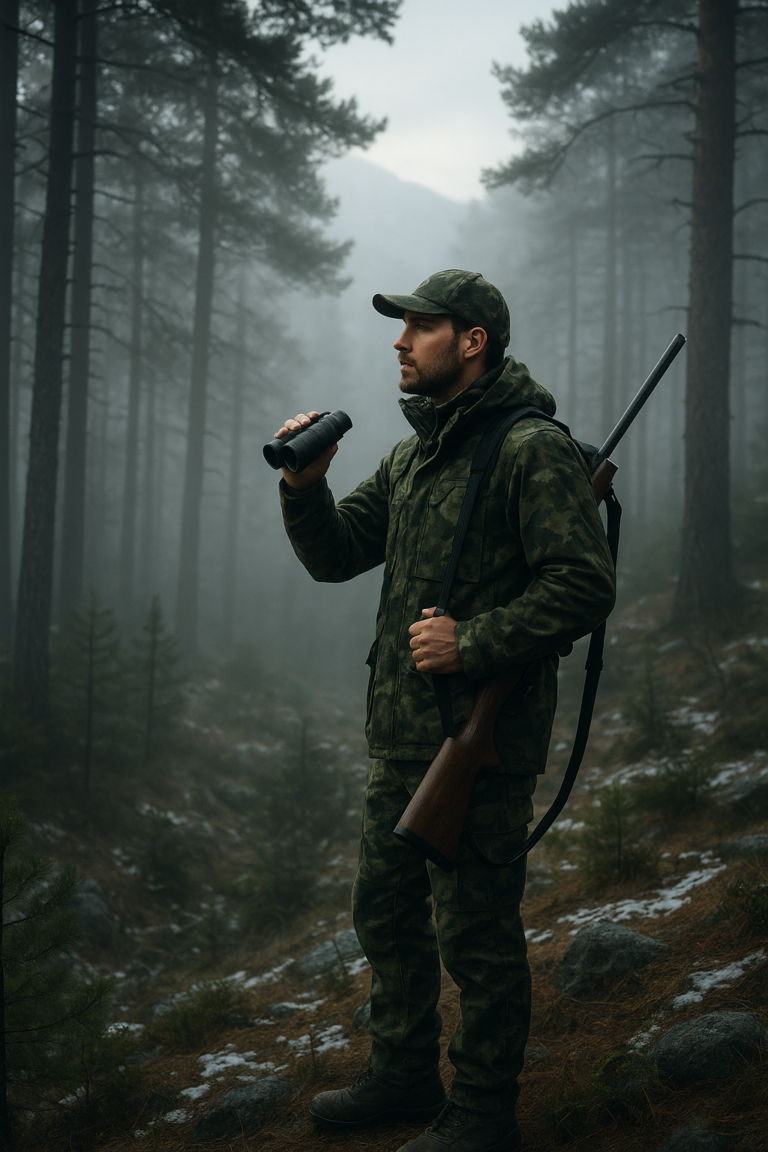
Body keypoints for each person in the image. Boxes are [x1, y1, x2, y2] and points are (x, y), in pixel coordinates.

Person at [273, 269, 616, 1152]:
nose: (400, 341)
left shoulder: (528, 447)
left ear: (473, 341)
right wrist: (304, 489)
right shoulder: (414, 455)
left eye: (421, 327)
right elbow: (339, 555)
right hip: (400, 737)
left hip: (482, 743)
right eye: (402, 328)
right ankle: (404, 1077)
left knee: (477, 934)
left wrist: (473, 642)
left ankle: (483, 1112)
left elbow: (583, 584)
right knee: (383, 916)